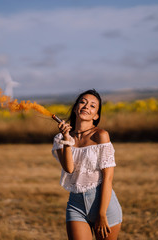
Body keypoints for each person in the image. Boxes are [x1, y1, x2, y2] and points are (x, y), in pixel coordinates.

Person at [52, 89, 122, 240]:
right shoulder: (60, 138)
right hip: (75, 205)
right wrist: (66, 139)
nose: (86, 106)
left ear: (96, 115)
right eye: (82, 102)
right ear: (76, 108)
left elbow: (108, 178)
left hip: (103, 204)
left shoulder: (101, 136)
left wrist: (102, 214)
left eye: (92, 106)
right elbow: (69, 169)